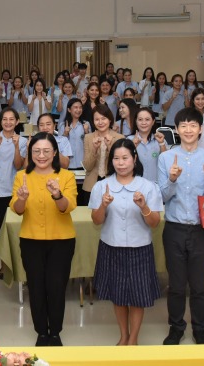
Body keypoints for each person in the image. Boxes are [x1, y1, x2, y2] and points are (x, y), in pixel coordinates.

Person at [157, 107, 204, 345]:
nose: (188, 130)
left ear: (201, 129)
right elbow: (161, 197)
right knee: (175, 284)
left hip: (202, 230)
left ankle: (200, 328)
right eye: (183, 126)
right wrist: (172, 179)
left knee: (199, 284)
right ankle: (176, 327)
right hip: (174, 227)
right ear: (176, 130)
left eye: (193, 125)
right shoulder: (165, 158)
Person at [89, 138, 162, 345]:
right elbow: (96, 221)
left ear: (134, 159)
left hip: (140, 248)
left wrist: (143, 206)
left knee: (138, 296)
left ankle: (134, 338)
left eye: (125, 158)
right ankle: (123, 334)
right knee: (118, 294)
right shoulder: (102, 186)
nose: (121, 163)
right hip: (111, 247)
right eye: (116, 159)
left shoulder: (148, 187)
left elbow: (154, 223)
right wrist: (103, 205)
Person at [10, 132, 78, 346]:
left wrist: (57, 194)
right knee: (36, 287)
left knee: (57, 287)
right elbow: (17, 210)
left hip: (61, 241)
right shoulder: (22, 176)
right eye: (36, 151)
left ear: (55, 153)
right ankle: (41, 331)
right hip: (31, 240)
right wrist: (21, 199)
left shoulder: (66, 176)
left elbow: (68, 207)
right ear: (30, 153)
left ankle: (55, 331)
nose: (41, 155)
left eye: (46, 151)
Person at [0, 107, 27, 248]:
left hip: (13, 189)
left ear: (17, 122)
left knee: (11, 226)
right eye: (4, 119)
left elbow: (18, 165)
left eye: (11, 119)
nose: (8, 122)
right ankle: (2, 265)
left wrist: (16, 147)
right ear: (0, 122)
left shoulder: (22, 141)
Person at [81, 104, 124, 205]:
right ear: (93, 121)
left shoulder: (119, 138)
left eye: (103, 118)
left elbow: (120, 165)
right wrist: (94, 150)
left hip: (113, 185)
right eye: (96, 119)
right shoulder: (88, 137)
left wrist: (110, 148)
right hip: (91, 185)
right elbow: (87, 166)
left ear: (110, 119)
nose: (100, 122)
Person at [129, 107, 168, 183]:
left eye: (147, 119)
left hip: (156, 185)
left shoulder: (160, 140)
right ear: (136, 121)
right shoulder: (129, 140)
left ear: (153, 122)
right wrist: (133, 146)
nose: (143, 123)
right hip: (134, 185)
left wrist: (161, 143)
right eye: (140, 119)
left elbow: (166, 162)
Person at [58, 98, 89, 170]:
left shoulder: (86, 124)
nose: (78, 110)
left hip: (82, 162)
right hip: (67, 163)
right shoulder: (63, 125)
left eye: (80, 107)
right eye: (75, 107)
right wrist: (65, 134)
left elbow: (89, 144)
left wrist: (86, 132)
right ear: (69, 110)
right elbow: (59, 146)